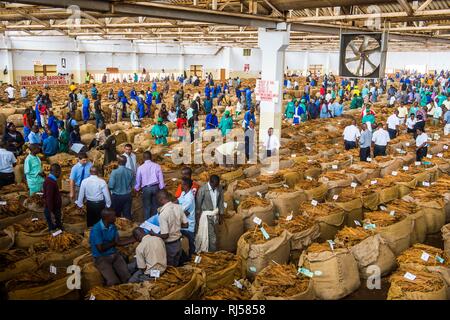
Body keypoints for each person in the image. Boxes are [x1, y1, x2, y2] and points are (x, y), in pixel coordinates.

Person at [90, 208, 135, 286]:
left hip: (114, 255)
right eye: (114, 216)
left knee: (127, 277)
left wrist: (133, 239)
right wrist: (114, 243)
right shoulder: (96, 229)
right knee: (113, 282)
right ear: (107, 218)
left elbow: (118, 242)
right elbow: (100, 248)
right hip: (101, 258)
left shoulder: (112, 226)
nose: (116, 217)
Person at [195, 175, 224, 252]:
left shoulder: (219, 188)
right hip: (207, 216)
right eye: (214, 185)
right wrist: (197, 218)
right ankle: (211, 254)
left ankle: (209, 251)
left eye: (217, 185)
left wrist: (221, 215)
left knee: (212, 236)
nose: (216, 187)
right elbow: (198, 205)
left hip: (215, 215)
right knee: (212, 238)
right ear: (210, 182)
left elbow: (221, 202)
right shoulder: (203, 190)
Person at [135, 151, 165, 219]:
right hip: (155, 188)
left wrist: (137, 188)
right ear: (151, 157)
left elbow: (138, 180)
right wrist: (161, 187)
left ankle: (147, 223)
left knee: (146, 207)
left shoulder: (140, 168)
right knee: (155, 205)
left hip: (146, 189)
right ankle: (155, 222)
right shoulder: (157, 166)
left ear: (143, 158)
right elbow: (161, 179)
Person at [108, 155, 134, 220]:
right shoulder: (130, 172)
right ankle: (128, 228)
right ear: (126, 162)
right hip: (127, 195)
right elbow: (133, 184)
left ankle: (117, 228)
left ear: (118, 162)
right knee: (127, 214)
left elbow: (111, 186)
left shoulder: (114, 172)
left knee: (116, 215)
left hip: (116, 196)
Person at [177, 177, 196, 258]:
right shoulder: (183, 193)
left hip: (188, 226)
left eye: (182, 184)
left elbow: (180, 210)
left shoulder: (189, 198)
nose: (180, 185)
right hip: (183, 223)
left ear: (186, 186)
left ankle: (192, 258)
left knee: (191, 244)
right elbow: (178, 201)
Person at [43, 164, 63, 231]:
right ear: (56, 172)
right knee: (55, 229)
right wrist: (51, 213)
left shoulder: (50, 180)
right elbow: (49, 198)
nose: (60, 174)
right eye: (60, 172)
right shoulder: (50, 182)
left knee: (58, 227)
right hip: (52, 210)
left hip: (54, 209)